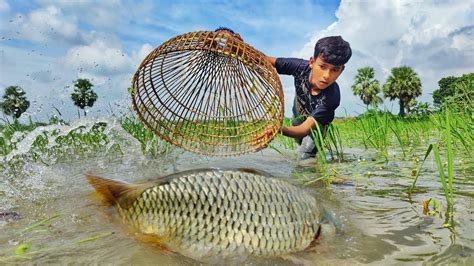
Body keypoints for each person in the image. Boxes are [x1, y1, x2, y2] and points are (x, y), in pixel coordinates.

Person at [265, 36, 352, 159]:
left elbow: (304, 129)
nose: (327, 76)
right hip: (298, 111)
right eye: (322, 66)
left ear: (341, 70)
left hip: (317, 124)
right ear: (312, 62)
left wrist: (279, 129)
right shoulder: (300, 67)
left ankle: (313, 166)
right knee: (299, 143)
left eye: (335, 70)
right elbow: (266, 60)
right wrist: (242, 50)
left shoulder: (331, 97)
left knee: (305, 156)